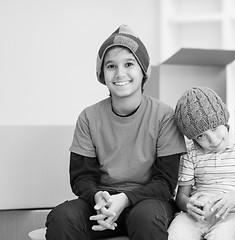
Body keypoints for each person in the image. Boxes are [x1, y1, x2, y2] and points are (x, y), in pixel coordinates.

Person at [45, 24, 187, 240]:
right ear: (102, 74)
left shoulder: (164, 116)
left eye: (129, 64)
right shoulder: (89, 117)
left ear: (143, 71)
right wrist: (97, 197)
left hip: (147, 202)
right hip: (102, 202)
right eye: (111, 66)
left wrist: (126, 198)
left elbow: (166, 183)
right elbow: (81, 177)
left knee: (146, 218)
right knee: (62, 217)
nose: (120, 73)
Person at [167, 86, 235, 240]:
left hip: (233, 215)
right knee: (175, 235)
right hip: (194, 216)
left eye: (214, 128)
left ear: (224, 120)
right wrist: (188, 204)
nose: (212, 140)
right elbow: (181, 196)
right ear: (193, 139)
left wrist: (234, 198)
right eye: (201, 136)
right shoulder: (190, 153)